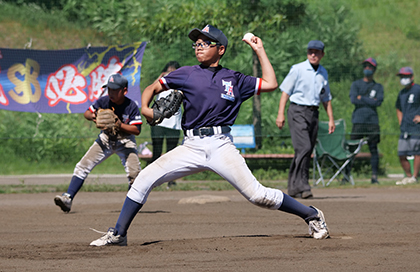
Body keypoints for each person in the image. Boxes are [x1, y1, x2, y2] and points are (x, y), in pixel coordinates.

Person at [89, 25, 329, 246]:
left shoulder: (234, 79)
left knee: (258, 196)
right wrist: (146, 109)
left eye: (205, 43)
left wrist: (259, 49)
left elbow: (270, 83)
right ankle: (119, 234)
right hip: (191, 146)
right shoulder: (185, 74)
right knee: (143, 179)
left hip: (221, 146)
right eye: (197, 43)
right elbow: (153, 88)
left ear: (220, 49)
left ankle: (312, 214)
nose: (199, 46)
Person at [54, 73, 142, 213]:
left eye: (115, 90)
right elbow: (87, 113)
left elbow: (136, 130)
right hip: (105, 139)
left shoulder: (131, 106)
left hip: (125, 141)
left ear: (124, 91)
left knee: (135, 174)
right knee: (82, 166)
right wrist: (95, 116)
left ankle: (130, 207)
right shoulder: (103, 101)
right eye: (109, 89)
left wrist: (119, 125)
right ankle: (68, 198)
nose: (111, 93)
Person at [276, 40, 335, 199]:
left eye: (317, 52)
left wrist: (331, 119)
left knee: (305, 150)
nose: (313, 55)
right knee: (304, 147)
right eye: (310, 51)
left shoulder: (323, 72)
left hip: (313, 113)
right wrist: (280, 113)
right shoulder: (298, 69)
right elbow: (285, 92)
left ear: (322, 54)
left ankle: (293, 187)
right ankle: (303, 185)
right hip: (297, 111)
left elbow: (326, 97)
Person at [349, 58, 384, 184]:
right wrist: (370, 100)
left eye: (370, 67)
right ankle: (346, 175)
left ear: (374, 70)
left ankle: (374, 176)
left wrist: (362, 98)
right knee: (352, 148)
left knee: (373, 149)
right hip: (358, 121)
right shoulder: (356, 84)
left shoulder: (378, 86)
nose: (367, 69)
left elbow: (378, 102)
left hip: (372, 122)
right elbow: (354, 100)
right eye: (366, 66)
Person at [150, 61, 182, 187]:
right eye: (168, 71)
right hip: (159, 123)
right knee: (156, 151)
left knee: (171, 153)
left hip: (173, 124)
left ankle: (171, 180)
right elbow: (151, 91)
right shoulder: (160, 83)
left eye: (173, 71)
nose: (170, 74)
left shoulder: (180, 84)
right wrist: (160, 77)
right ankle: (153, 178)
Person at [395, 67, 420, 185]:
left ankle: (415, 176)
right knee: (402, 152)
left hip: (416, 128)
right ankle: (408, 176)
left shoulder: (418, 89)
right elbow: (398, 108)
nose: (403, 79)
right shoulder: (402, 93)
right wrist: (401, 120)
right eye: (401, 77)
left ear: (412, 77)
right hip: (405, 128)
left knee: (417, 152)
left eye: (405, 76)